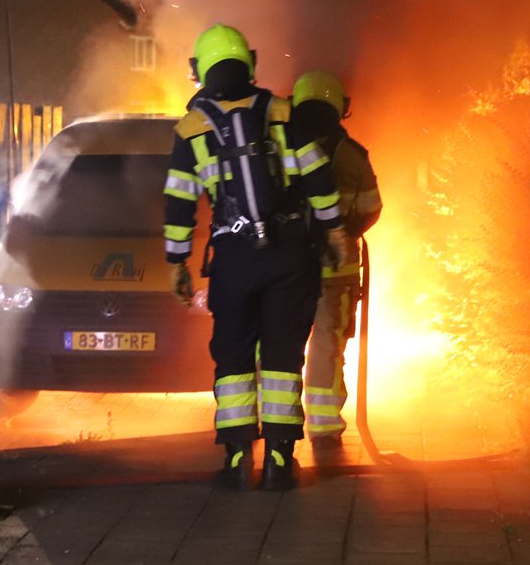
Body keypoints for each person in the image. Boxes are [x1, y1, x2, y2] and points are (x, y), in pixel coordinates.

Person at [164, 24, 350, 491]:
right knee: (283, 355)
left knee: (233, 356)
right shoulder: (283, 112)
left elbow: (179, 202)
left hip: (233, 258)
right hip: (289, 254)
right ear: (249, 62)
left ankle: (235, 461)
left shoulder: (191, 128)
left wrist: (177, 262)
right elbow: (318, 177)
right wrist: (334, 231)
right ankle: (280, 462)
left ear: (200, 69)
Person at [289, 70, 383, 456]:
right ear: (338, 107)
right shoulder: (352, 156)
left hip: (288, 270)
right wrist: (345, 233)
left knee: (282, 342)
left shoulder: (280, 149)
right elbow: (372, 207)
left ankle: (277, 422)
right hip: (336, 271)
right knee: (327, 346)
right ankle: (324, 429)